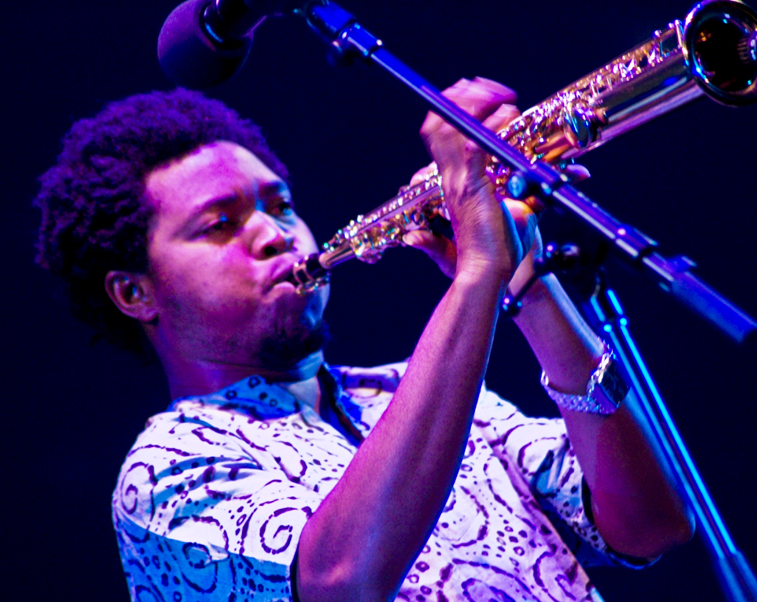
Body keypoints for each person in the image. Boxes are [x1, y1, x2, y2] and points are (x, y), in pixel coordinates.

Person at [34, 80, 693, 602]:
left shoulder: (413, 389)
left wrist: (526, 284)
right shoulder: (166, 469)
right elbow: (342, 579)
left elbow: (650, 523)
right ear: (135, 293)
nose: (274, 233)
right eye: (218, 224)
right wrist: (476, 277)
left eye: (280, 204)